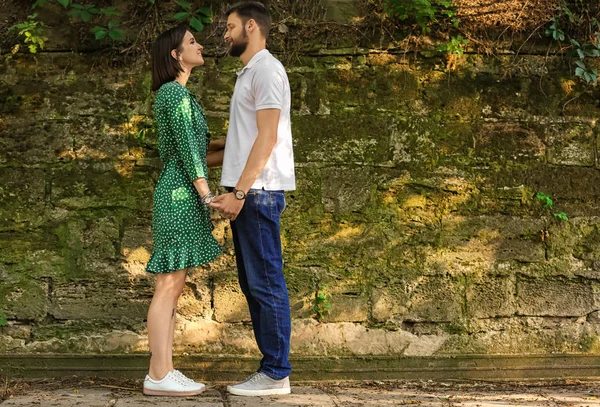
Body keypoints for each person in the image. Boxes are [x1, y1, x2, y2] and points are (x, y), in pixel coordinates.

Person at [211, 1, 296, 397]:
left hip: (258, 194)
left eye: (229, 27)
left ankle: (276, 373)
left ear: (250, 26)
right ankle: (272, 369)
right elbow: (244, 139)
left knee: (266, 284)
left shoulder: (266, 70)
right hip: (250, 192)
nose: (225, 34)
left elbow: (267, 136)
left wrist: (240, 192)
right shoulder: (249, 73)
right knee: (254, 284)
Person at [143, 24, 224, 397]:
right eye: (192, 42)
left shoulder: (179, 96)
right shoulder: (173, 94)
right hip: (179, 197)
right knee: (168, 286)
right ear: (175, 55)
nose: (200, 45)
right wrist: (207, 194)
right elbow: (192, 158)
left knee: (173, 289)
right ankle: (159, 374)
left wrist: (245, 143)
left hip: (181, 195)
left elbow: (199, 150)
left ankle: (163, 370)